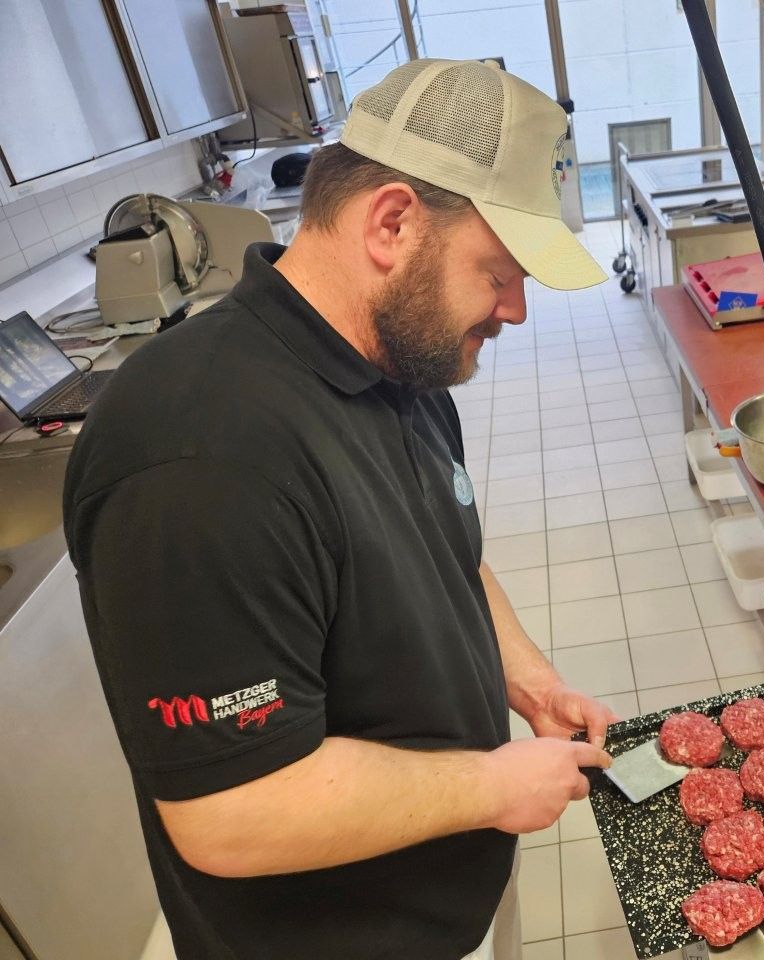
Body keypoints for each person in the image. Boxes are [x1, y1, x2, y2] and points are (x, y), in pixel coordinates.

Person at [62, 59, 617, 960]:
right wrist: (489, 788)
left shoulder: (401, 360)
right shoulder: (197, 458)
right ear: (392, 222)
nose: (516, 308)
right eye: (500, 271)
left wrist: (532, 682)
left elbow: (449, 550)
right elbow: (230, 812)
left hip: (446, 890)